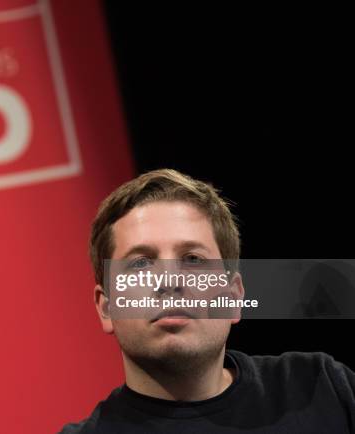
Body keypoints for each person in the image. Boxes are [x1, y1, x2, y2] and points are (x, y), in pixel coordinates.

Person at [59, 169, 355, 433]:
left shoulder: (322, 387)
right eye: (140, 264)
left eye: (192, 259)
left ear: (233, 297)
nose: (170, 280)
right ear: (106, 307)